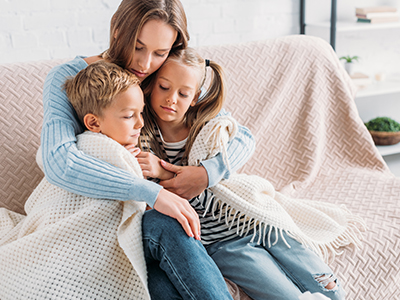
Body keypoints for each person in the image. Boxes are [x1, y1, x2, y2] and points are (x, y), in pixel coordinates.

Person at [38, 0, 254, 298]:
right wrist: (152, 192)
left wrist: (206, 174)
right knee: (163, 230)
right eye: (137, 47)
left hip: (148, 220)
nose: (144, 63)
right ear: (117, 30)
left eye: (159, 52)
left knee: (160, 280)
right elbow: (59, 162)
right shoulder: (70, 78)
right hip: (109, 218)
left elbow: (241, 135)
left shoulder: (164, 77)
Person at [138, 47, 348, 300]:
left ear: (195, 97)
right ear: (150, 85)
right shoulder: (142, 135)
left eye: (183, 93)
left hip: (255, 218)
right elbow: (164, 203)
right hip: (224, 245)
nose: (171, 99)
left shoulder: (208, 124)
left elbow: (244, 139)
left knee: (331, 290)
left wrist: (204, 173)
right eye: (164, 87)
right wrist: (163, 173)